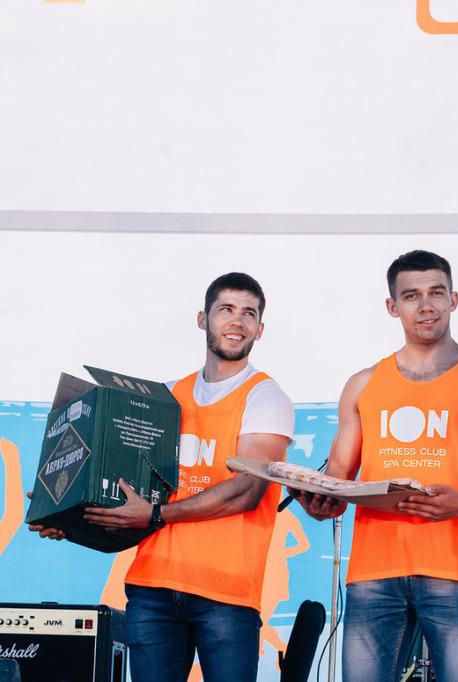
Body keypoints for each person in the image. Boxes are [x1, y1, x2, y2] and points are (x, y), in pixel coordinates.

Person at [30, 272, 295, 682]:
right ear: (202, 319)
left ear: (260, 329)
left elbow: (246, 491)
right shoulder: (165, 398)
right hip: (152, 588)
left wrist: (156, 515)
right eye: (226, 309)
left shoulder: (266, 397)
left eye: (249, 313)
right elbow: (128, 496)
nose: (237, 321)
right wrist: (69, 517)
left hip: (225, 594)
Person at [295, 250, 458, 682]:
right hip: (373, 573)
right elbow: (338, 477)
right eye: (411, 296)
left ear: (454, 299)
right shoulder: (363, 384)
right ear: (393, 307)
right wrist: (319, 500)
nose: (426, 306)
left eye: (436, 293)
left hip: (454, 570)